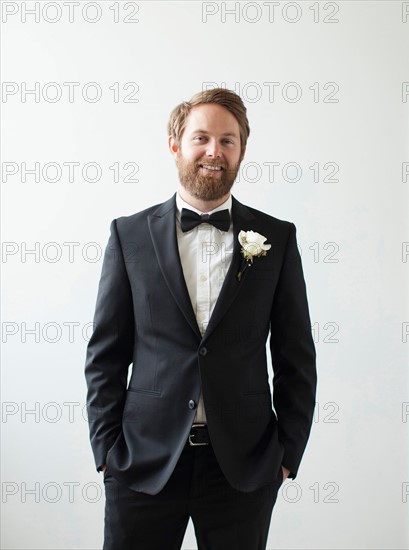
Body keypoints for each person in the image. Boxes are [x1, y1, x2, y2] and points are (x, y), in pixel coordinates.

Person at [84, 87, 317, 550]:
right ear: (176, 145)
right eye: (202, 138)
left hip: (244, 465)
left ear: (242, 151)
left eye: (228, 141)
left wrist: (286, 454)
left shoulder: (277, 238)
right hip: (142, 462)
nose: (215, 151)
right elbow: (105, 355)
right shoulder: (128, 235)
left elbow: (296, 356)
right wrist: (107, 451)